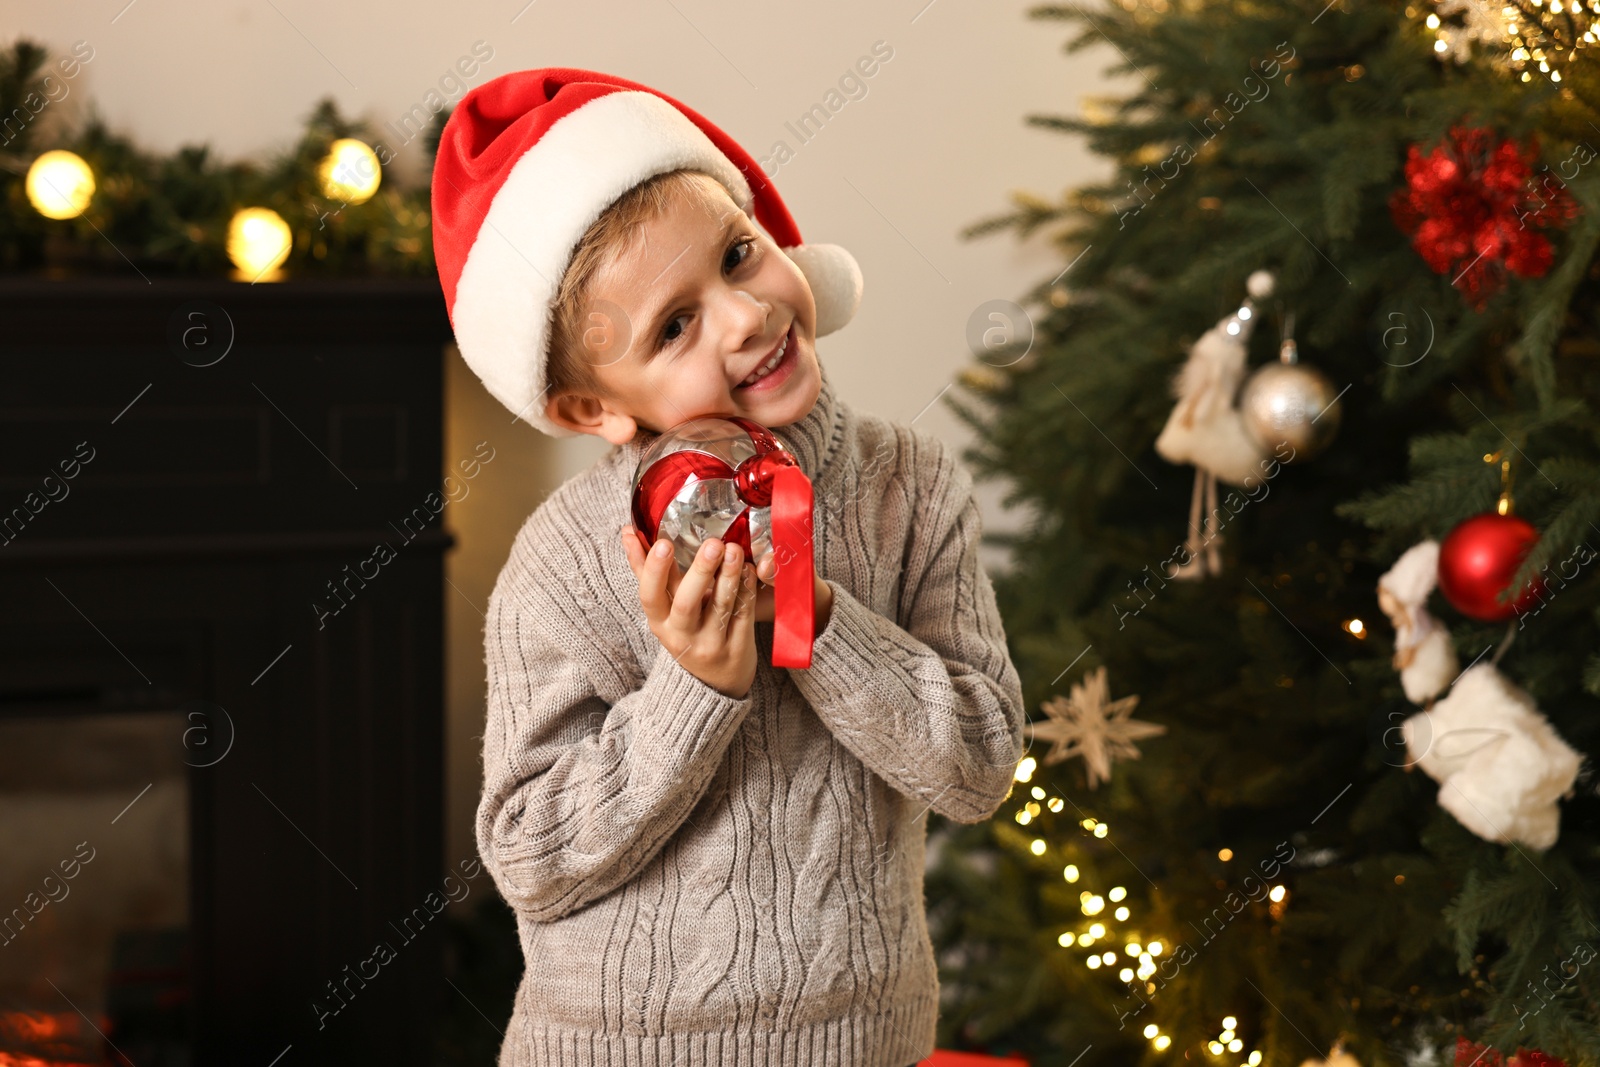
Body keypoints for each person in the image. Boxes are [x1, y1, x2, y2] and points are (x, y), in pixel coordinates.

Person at [431, 67, 1026, 1067]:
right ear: (592, 408)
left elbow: (977, 765)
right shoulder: (562, 562)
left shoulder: (908, 485)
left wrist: (821, 622)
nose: (744, 316)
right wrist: (692, 690)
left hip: (861, 1040)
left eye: (738, 257)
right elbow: (531, 857)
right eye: (674, 325)